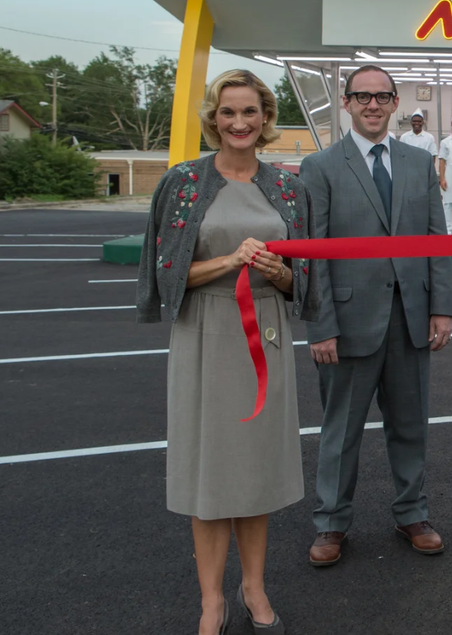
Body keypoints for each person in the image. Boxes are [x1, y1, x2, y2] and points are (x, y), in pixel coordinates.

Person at [137, 68, 319, 635]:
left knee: (255, 470)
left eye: (250, 112)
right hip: (205, 332)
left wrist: (279, 273)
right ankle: (211, 601)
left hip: (264, 334)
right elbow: (165, 273)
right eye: (227, 112)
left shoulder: (290, 188)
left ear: (266, 119)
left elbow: (304, 282)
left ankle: (255, 589)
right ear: (213, 119)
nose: (239, 123)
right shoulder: (183, 183)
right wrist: (230, 261)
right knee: (210, 472)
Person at [301, 65, 452, 569]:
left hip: (410, 317)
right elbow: (311, 252)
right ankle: (331, 523)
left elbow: (436, 240)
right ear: (346, 103)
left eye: (382, 96)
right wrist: (321, 323)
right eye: (362, 96)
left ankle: (412, 512)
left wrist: (441, 307)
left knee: (410, 426)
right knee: (340, 431)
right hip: (346, 324)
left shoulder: (417, 162)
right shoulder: (321, 166)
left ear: (394, 103)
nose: (372, 104)